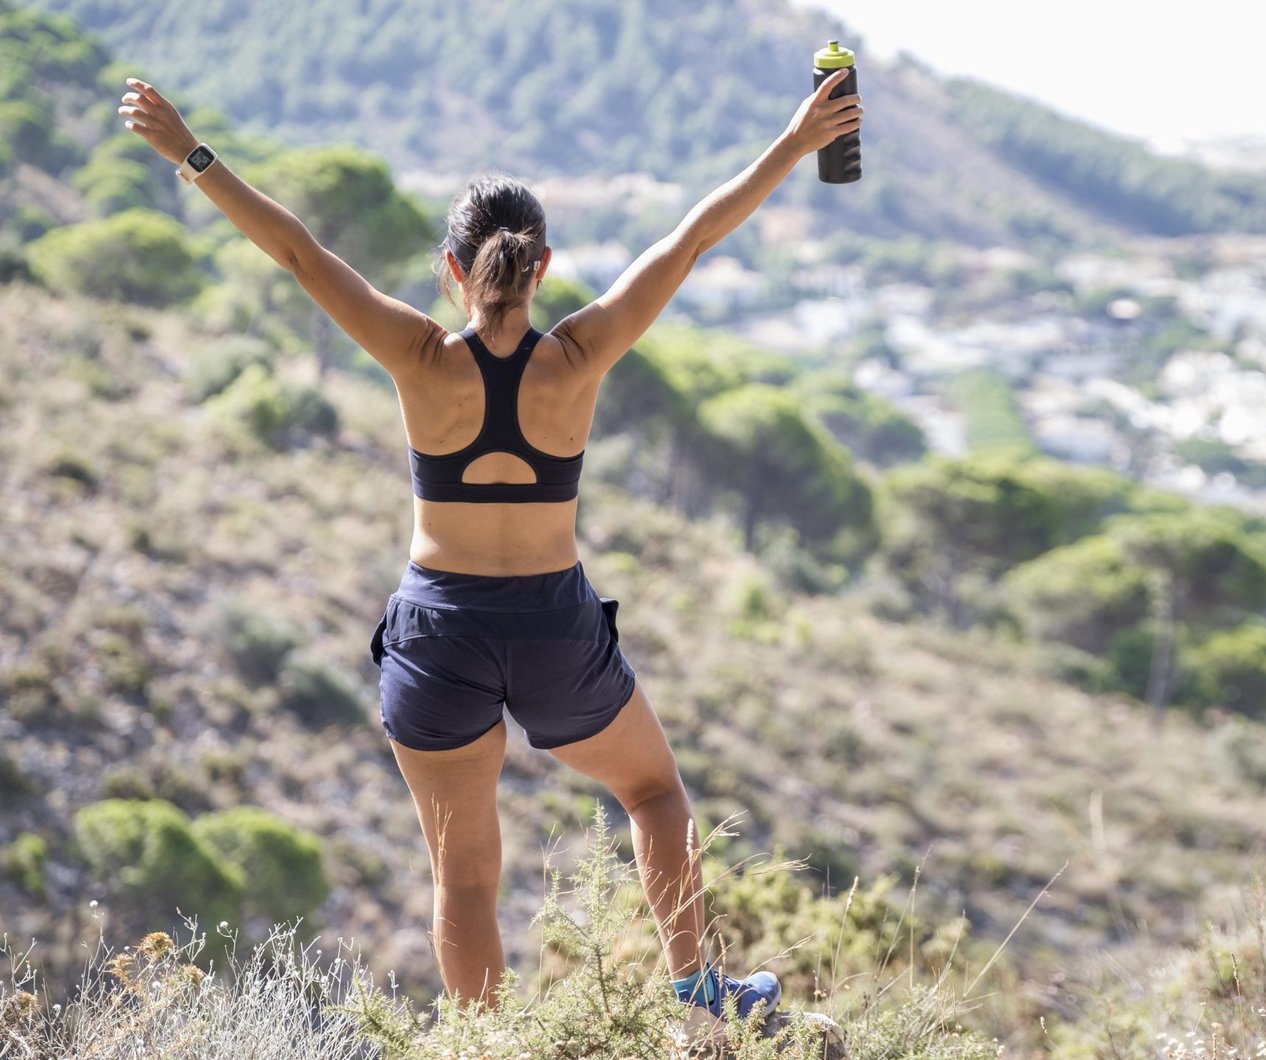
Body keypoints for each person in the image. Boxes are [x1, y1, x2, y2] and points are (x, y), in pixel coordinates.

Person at [117, 70, 863, 1038]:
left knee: (464, 876)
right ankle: (698, 1009)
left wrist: (190, 151)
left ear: (449, 268)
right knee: (653, 792)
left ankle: (483, 1048)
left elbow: (300, 253)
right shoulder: (579, 356)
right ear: (541, 264)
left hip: (441, 632)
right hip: (553, 625)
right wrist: (797, 141)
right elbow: (692, 235)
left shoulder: (419, 354)